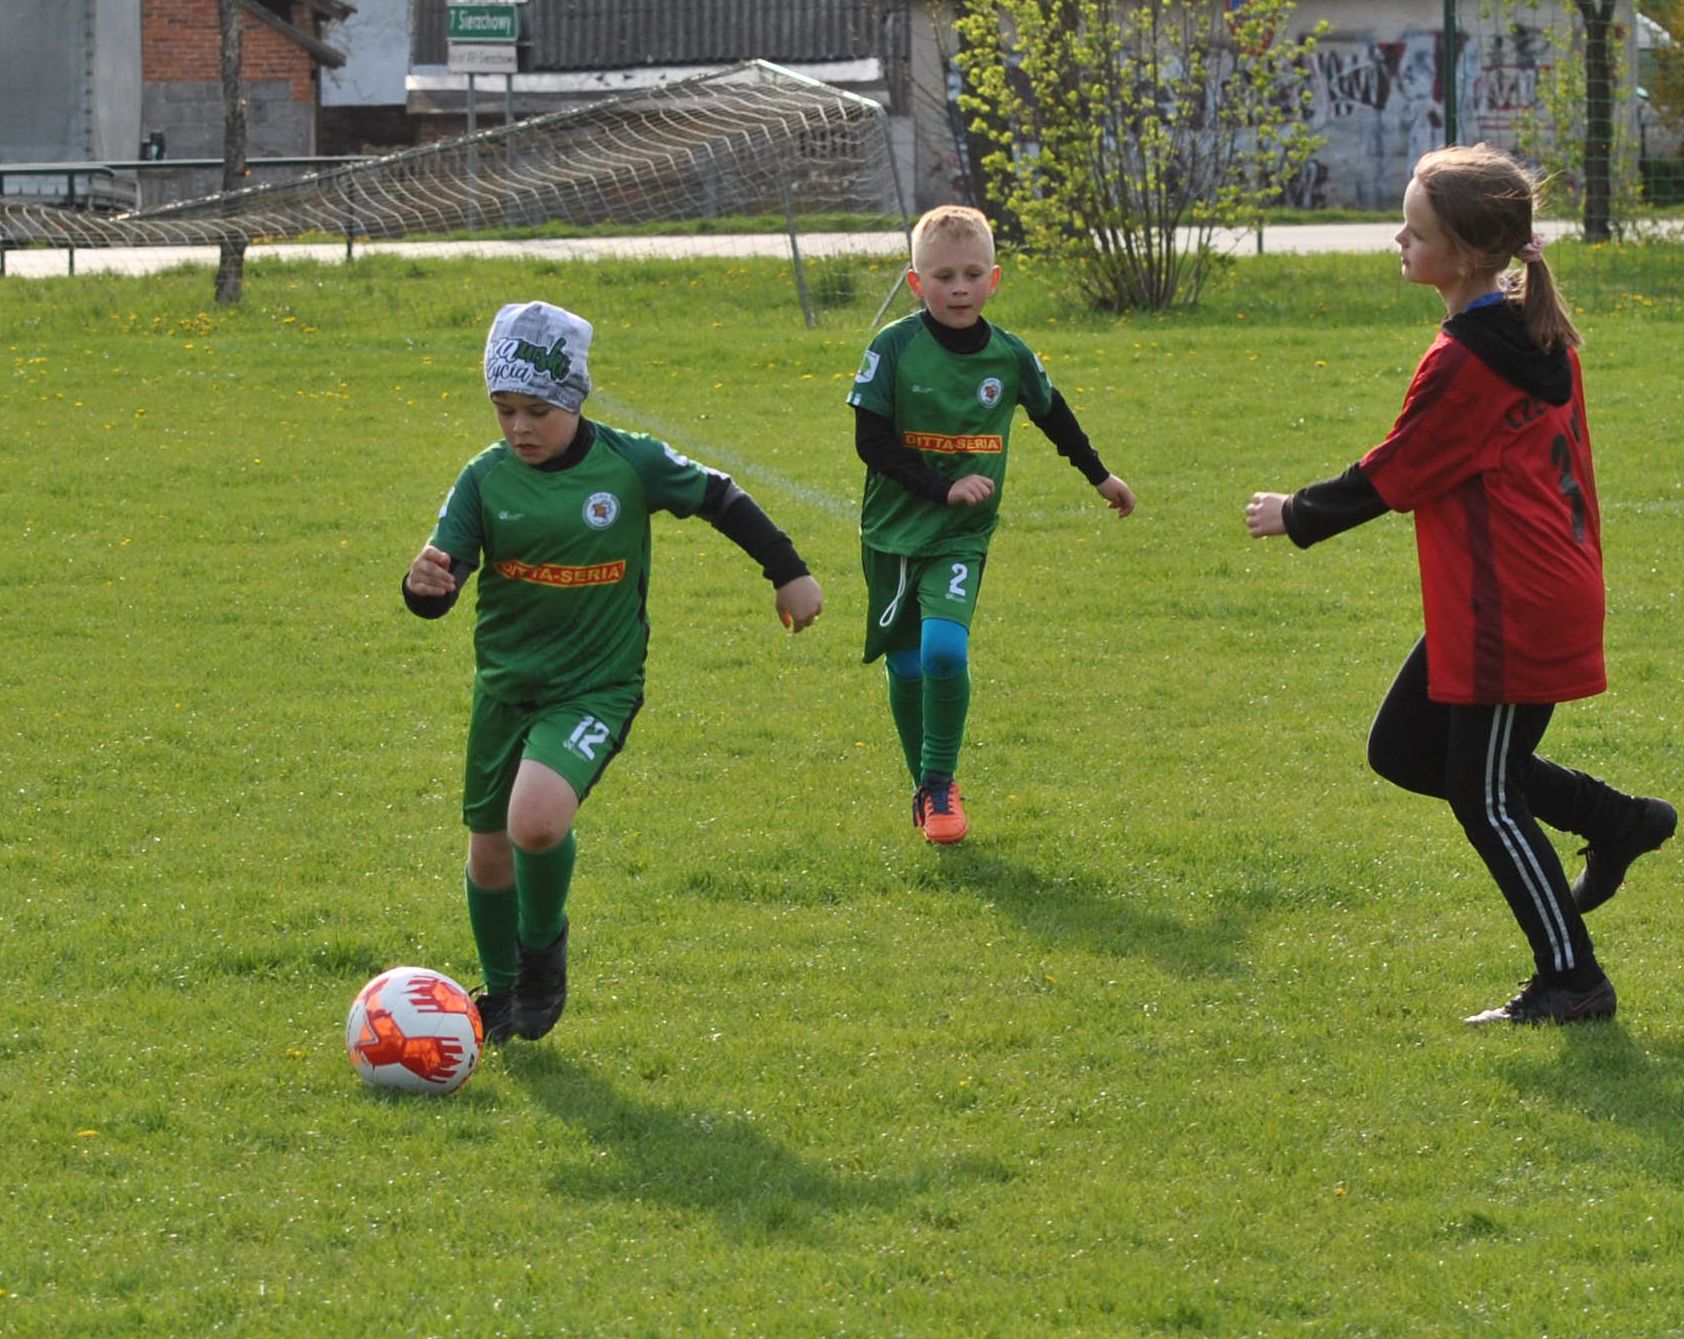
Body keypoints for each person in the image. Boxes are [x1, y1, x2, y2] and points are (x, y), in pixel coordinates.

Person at [1244, 145, 1676, 1026]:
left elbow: (1399, 469)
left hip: (1511, 606)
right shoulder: (1530, 334)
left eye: (1417, 229)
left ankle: (1573, 979)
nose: (1398, 239)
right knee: (1405, 749)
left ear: (1470, 253)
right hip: (1508, 596)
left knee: (1486, 797)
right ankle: (1615, 820)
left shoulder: (1469, 361)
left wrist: (1298, 512)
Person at [404, 301, 825, 1043]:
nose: (519, 427)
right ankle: (502, 993)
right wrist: (424, 586)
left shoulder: (629, 464)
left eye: (538, 411)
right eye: (504, 409)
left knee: (535, 821)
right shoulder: (484, 479)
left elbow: (721, 497)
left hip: (595, 687)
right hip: (504, 690)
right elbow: (445, 578)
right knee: (490, 852)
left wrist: (787, 572)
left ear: (576, 397)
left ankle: (541, 957)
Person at [848, 205, 1136, 843]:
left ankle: (939, 781)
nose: (960, 288)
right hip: (893, 530)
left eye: (973, 274)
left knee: (944, 651)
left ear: (994, 279)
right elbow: (871, 442)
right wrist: (942, 487)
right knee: (907, 667)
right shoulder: (893, 347)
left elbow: (1052, 413)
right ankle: (927, 790)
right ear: (917, 284)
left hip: (962, 533)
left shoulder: (1009, 355)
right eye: (944, 276)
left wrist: (1100, 475)